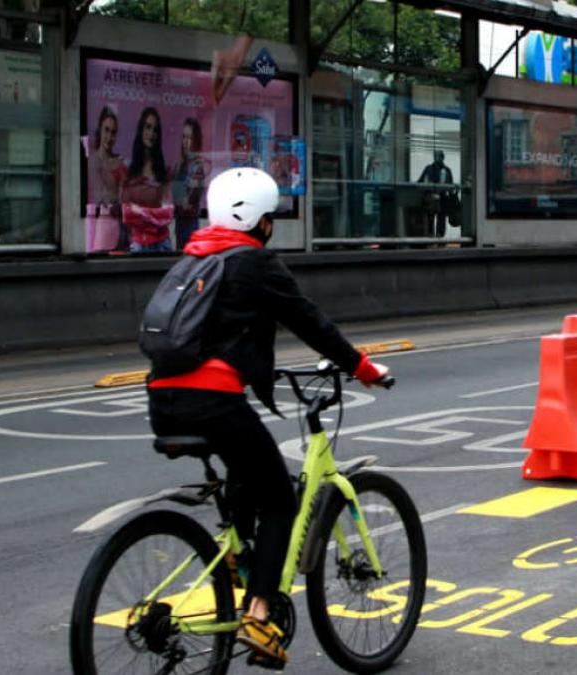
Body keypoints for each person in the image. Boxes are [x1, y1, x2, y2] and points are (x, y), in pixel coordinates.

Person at [146, 167, 391, 667]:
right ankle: (259, 612)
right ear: (259, 220)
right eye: (271, 218)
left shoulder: (193, 260)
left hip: (162, 399)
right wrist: (362, 368)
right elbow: (308, 320)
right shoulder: (254, 263)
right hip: (214, 401)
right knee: (279, 496)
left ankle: (239, 558)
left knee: (245, 475)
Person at [122, 107, 174, 253]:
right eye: (148, 127)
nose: (151, 133)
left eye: (155, 129)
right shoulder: (130, 171)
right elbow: (127, 214)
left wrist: (139, 212)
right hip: (137, 244)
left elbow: (168, 213)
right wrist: (153, 215)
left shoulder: (164, 171)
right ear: (141, 130)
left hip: (162, 243)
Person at [86, 106, 126, 252]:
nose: (109, 137)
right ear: (100, 131)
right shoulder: (93, 161)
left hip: (121, 227)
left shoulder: (119, 161)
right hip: (103, 225)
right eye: (106, 130)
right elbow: (100, 197)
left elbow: (126, 193)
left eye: (113, 132)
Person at [171, 117, 207, 249]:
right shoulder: (179, 166)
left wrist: (179, 198)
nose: (185, 142)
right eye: (184, 137)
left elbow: (188, 201)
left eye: (190, 138)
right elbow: (175, 198)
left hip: (190, 224)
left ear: (195, 141)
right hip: (179, 223)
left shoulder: (198, 167)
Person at [417, 150, 455, 238]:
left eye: (439, 156)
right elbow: (421, 181)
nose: (437, 158)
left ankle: (438, 237)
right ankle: (433, 237)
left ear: (442, 158)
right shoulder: (429, 168)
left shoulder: (446, 170)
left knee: (440, 219)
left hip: (442, 198)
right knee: (431, 219)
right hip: (431, 198)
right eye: (436, 156)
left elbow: (451, 186)